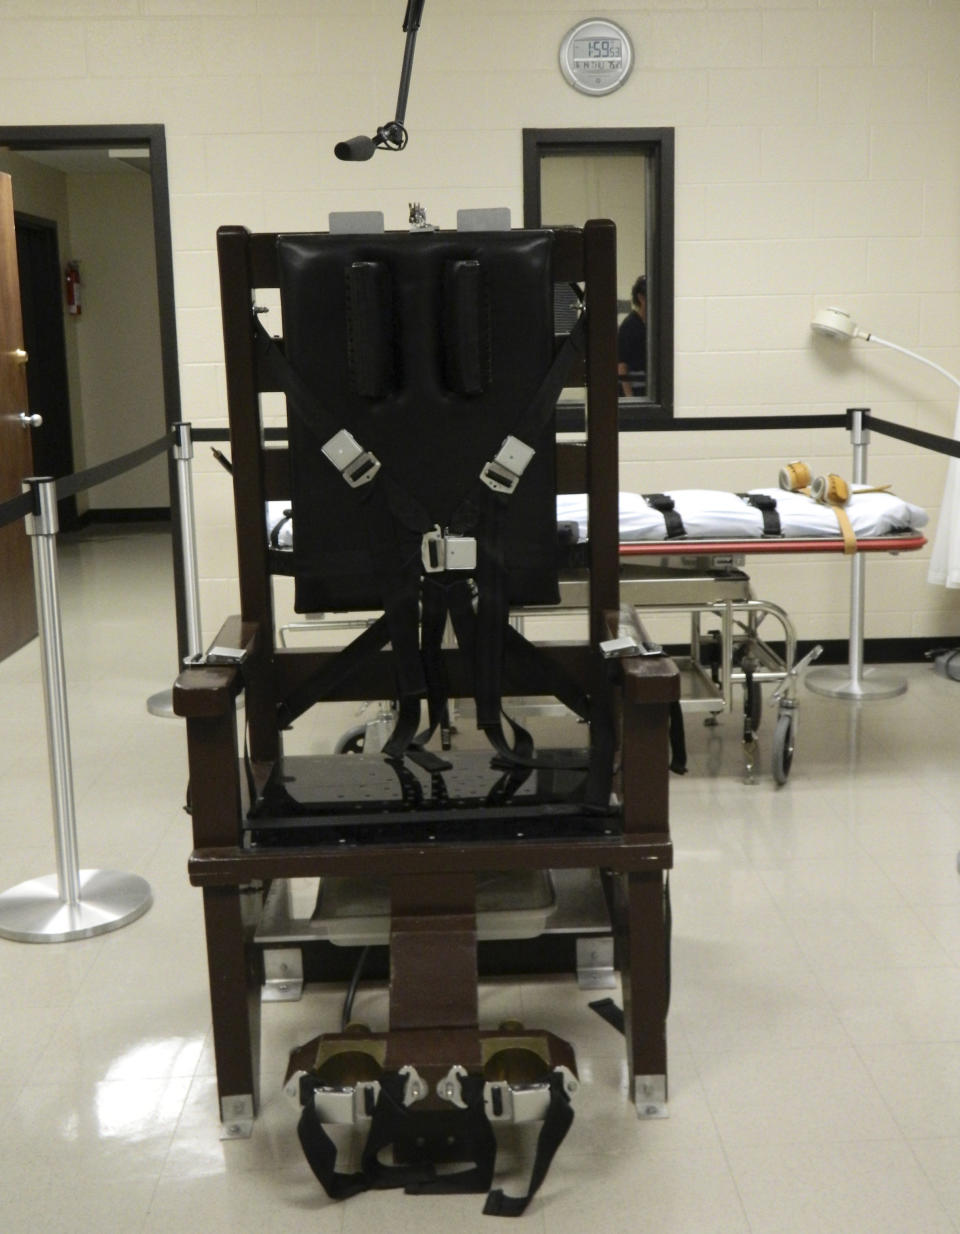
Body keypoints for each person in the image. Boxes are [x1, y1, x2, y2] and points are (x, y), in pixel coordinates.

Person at [617, 274, 646, 396]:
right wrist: (630, 398)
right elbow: (621, 365)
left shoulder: (655, 326)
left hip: (650, 391)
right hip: (634, 391)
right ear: (641, 298)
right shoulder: (629, 326)